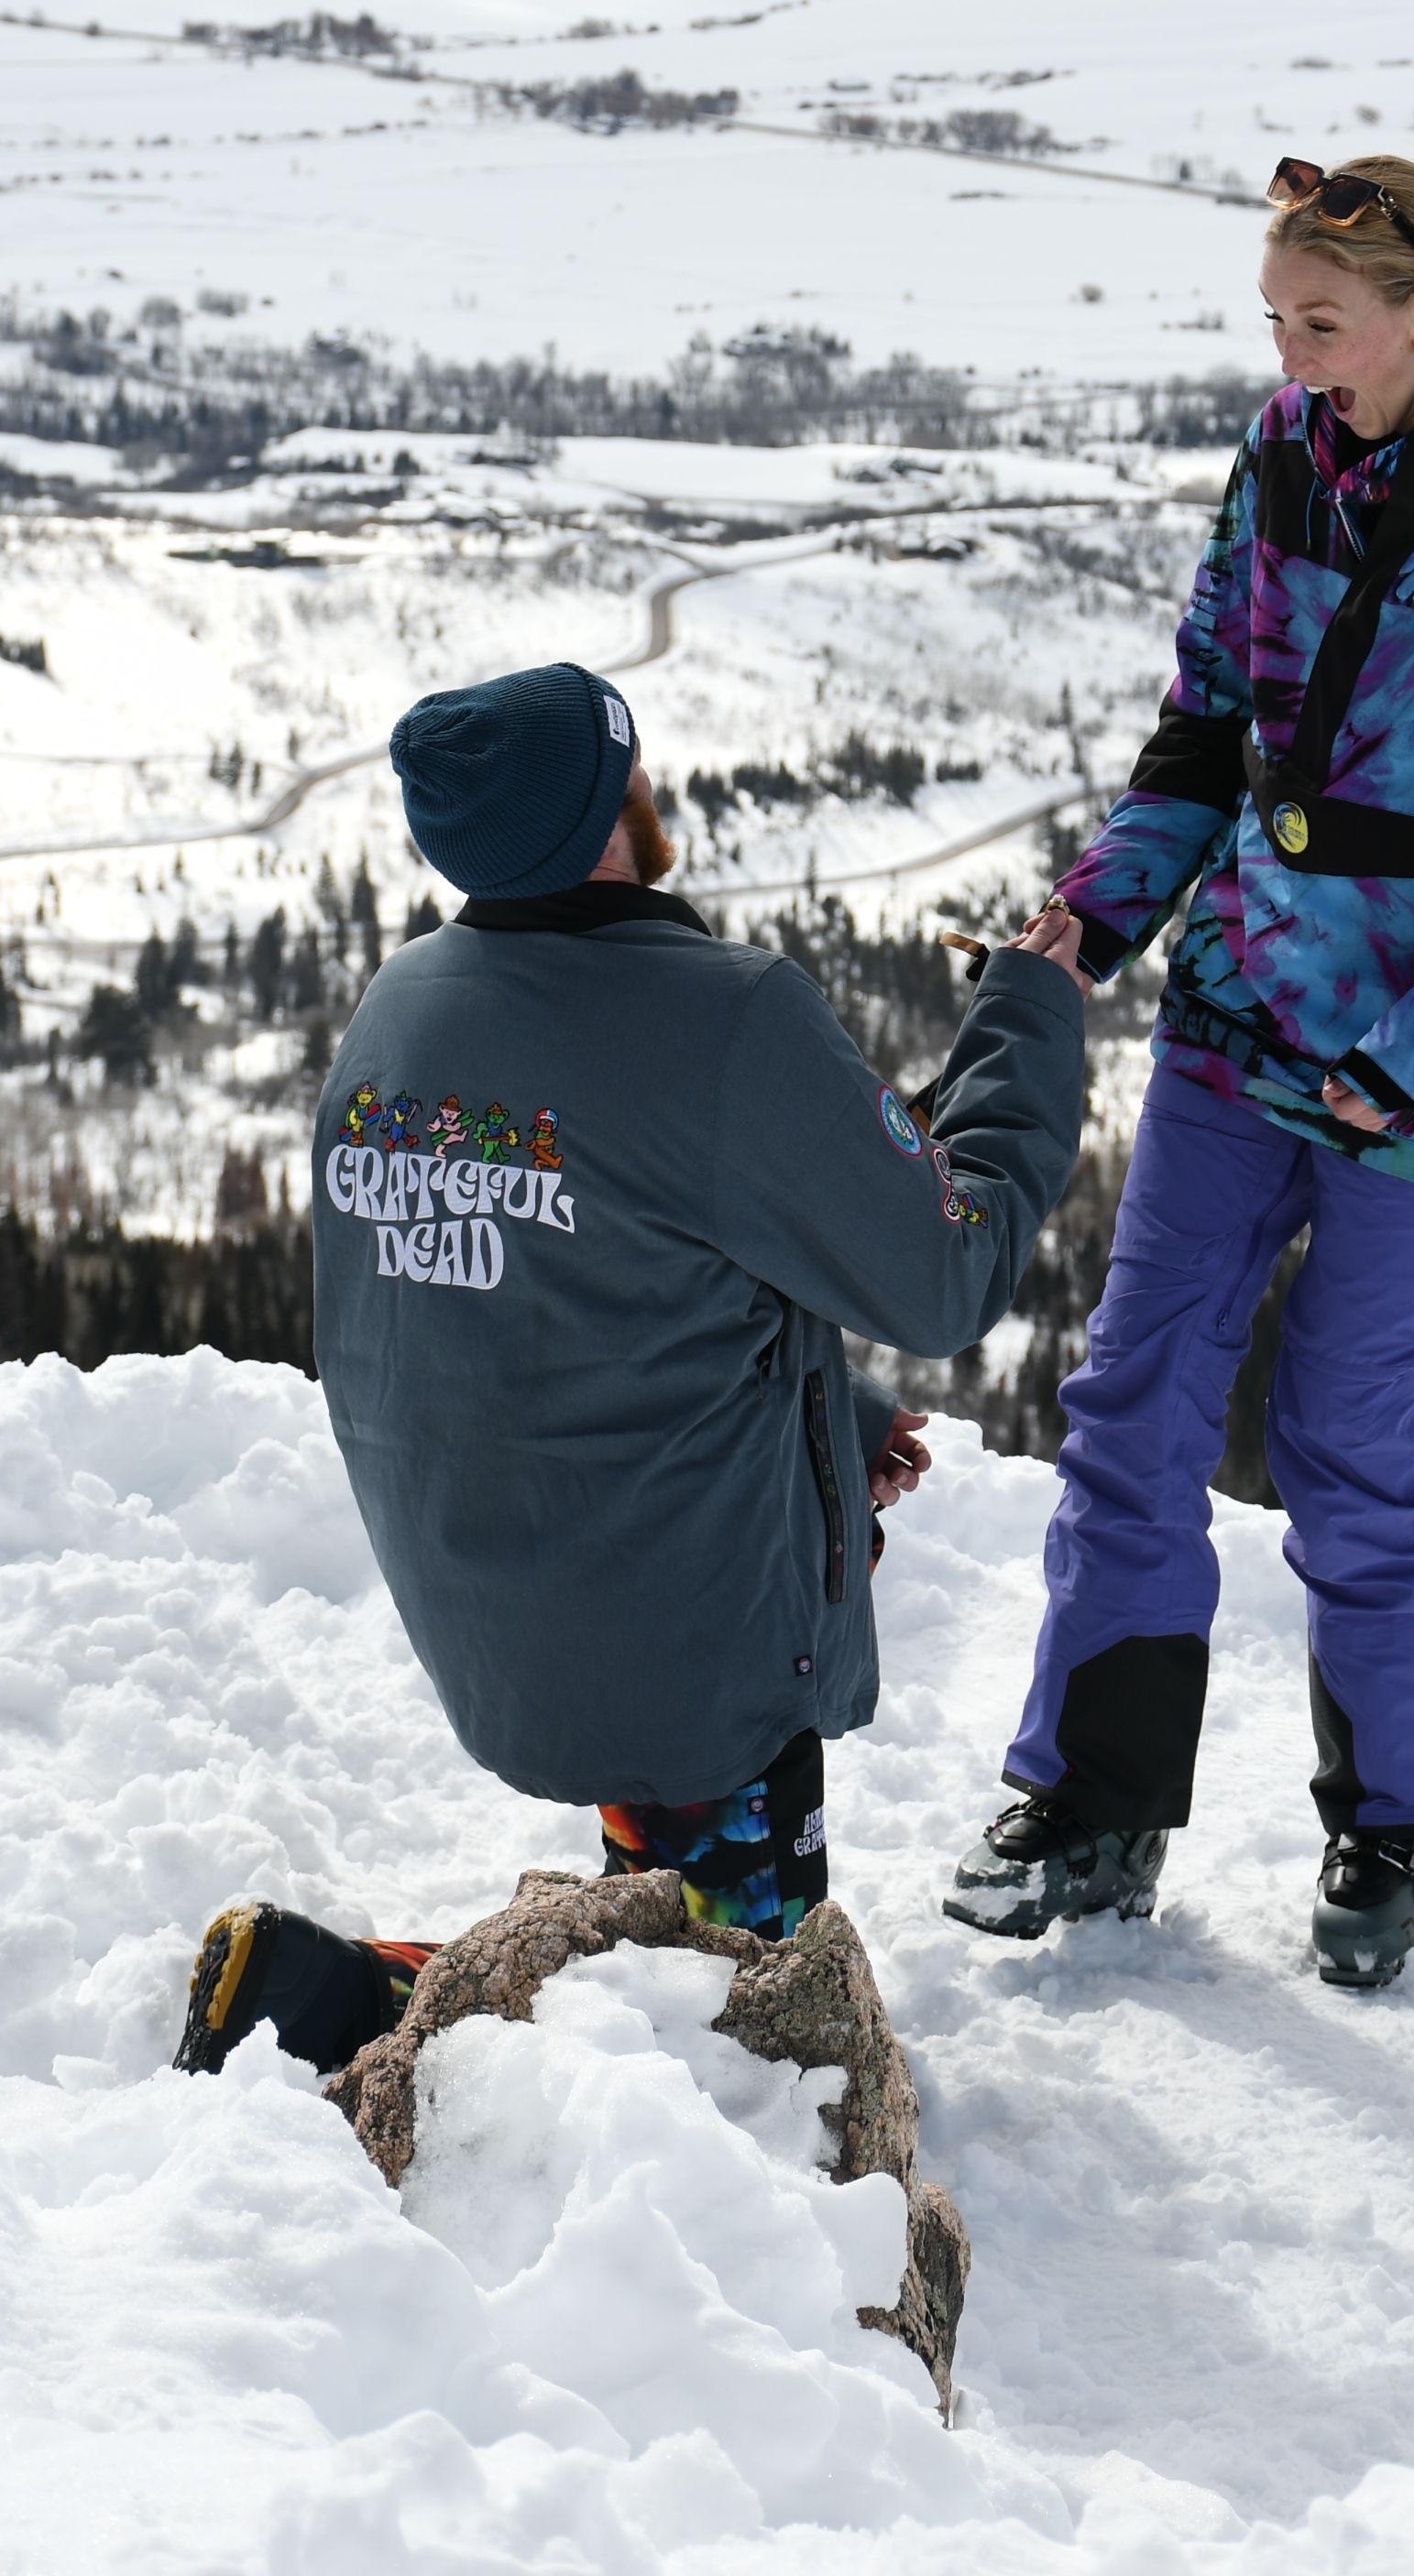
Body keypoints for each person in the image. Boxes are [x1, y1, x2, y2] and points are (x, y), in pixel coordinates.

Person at [941, 155, 1414, 1990]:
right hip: (1239, 1017)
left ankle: (1393, 1834)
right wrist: (1101, 914)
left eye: (1319, 323)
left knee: (1346, 1440)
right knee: (1132, 1401)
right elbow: (1208, 724)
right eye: (1275, 321)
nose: (1291, 355)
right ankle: (1091, 1805)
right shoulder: (1280, 460)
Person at [174, 659, 1089, 2080]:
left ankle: (407, 2001)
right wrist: (1030, 1011)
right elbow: (945, 1269)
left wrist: (822, 1419)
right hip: (696, 1656)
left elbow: (549, 1295)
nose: (650, 791)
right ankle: (363, 2012)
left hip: (502, 1620)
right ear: (610, 818)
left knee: (676, 1938)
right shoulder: (720, 1017)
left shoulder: (401, 1012)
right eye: (631, 771)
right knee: (767, 2050)